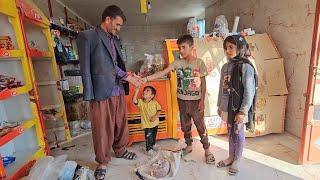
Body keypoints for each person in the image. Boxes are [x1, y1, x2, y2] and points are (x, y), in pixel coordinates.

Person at [77, 5, 141, 180]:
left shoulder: (115, 39)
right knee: (102, 129)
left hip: (118, 89)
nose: (118, 28)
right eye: (117, 24)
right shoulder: (87, 37)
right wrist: (88, 96)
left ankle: (120, 150)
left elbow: (116, 64)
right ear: (107, 19)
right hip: (100, 91)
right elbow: (86, 69)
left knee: (121, 123)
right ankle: (102, 161)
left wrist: (127, 75)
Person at [142, 34, 215, 164]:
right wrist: (146, 79)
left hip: (195, 101)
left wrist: (202, 101)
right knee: (185, 126)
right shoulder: (177, 63)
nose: (181, 51)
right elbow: (163, 72)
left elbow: (204, 84)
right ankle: (189, 146)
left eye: (183, 47)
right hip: (182, 100)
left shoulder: (199, 63)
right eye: (179, 48)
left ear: (192, 47)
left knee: (200, 126)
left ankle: (207, 150)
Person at [216, 35, 257, 175]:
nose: (228, 50)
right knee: (230, 133)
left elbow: (249, 92)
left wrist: (243, 111)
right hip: (227, 107)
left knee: (238, 133)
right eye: (226, 48)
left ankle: (237, 160)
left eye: (231, 47)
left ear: (240, 48)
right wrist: (219, 106)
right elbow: (222, 88)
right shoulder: (225, 67)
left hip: (239, 109)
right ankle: (230, 157)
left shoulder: (246, 67)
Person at [133, 86, 161, 155]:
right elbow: (134, 101)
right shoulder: (141, 102)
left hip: (155, 124)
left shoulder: (155, 102)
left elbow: (159, 111)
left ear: (152, 96)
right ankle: (148, 149)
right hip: (147, 125)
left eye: (147, 90)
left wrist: (155, 116)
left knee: (154, 136)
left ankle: (153, 145)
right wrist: (136, 91)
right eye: (144, 90)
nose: (144, 91)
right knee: (149, 137)